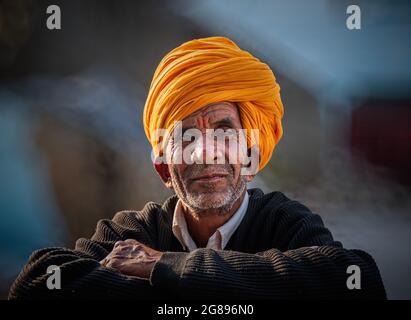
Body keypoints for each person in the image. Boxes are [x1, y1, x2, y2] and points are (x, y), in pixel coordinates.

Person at [9, 37, 386, 299]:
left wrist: (169, 268)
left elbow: (356, 280)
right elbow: (37, 283)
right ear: (164, 170)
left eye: (224, 131)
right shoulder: (135, 231)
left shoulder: (282, 222)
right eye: (187, 137)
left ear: (250, 159)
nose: (207, 152)